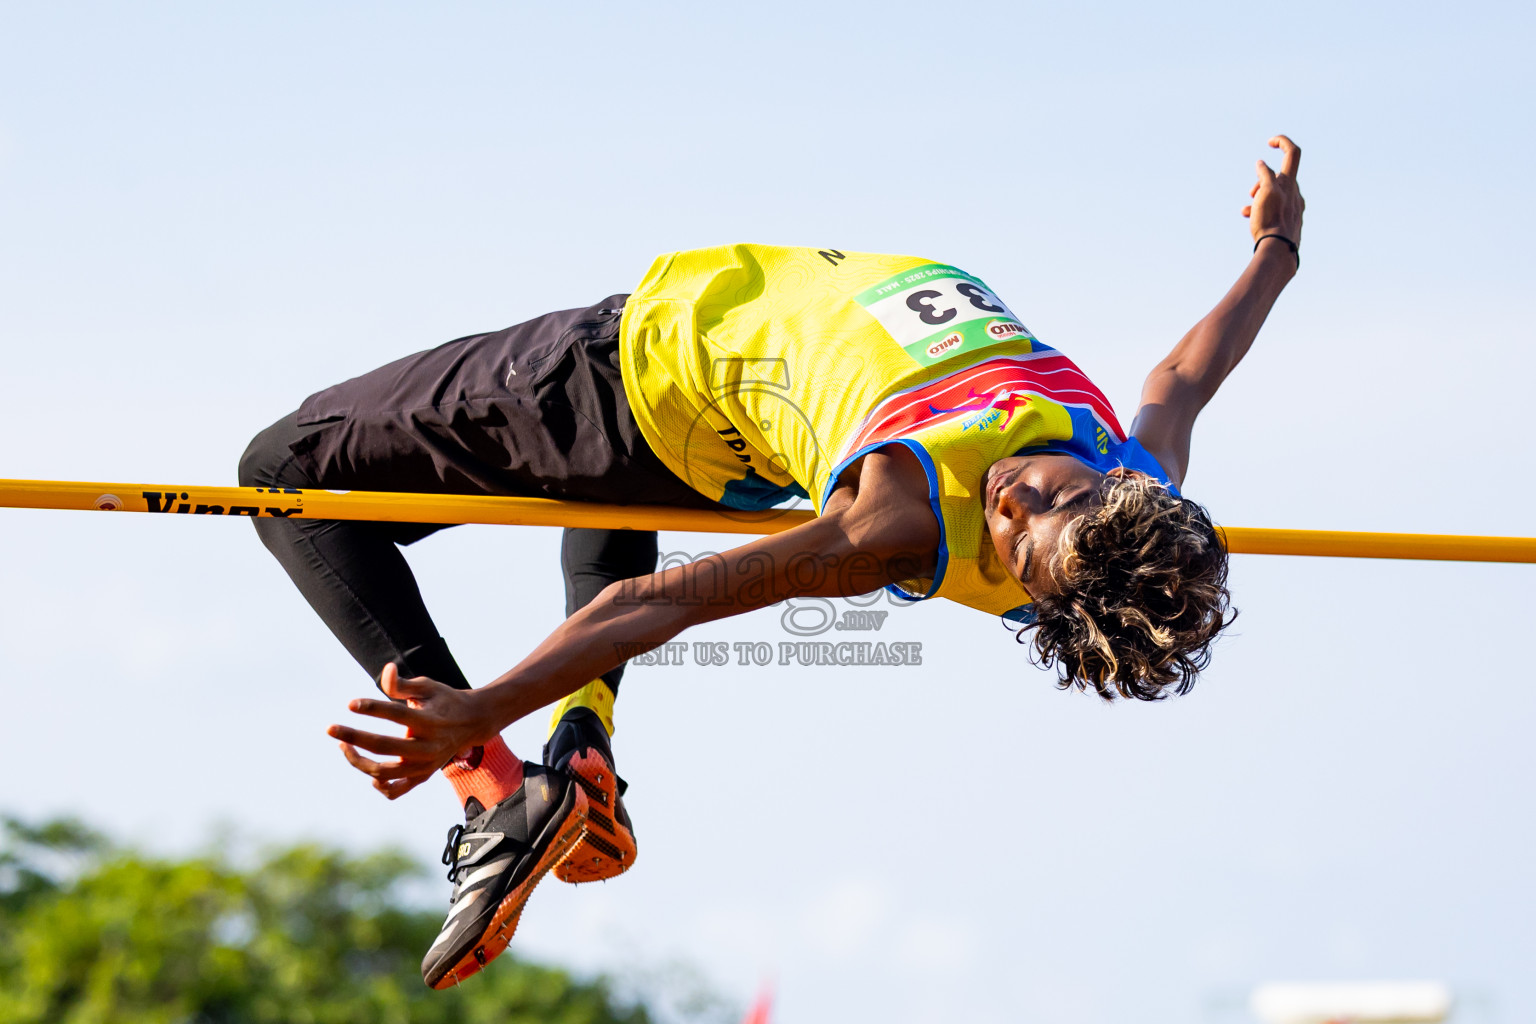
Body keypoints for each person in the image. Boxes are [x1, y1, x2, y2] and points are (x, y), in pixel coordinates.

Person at [239, 137, 1305, 987]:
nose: (1016, 496)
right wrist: (1276, 253)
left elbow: (660, 602)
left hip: (635, 374)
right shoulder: (1136, 474)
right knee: (612, 492)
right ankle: (582, 759)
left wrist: (480, 713)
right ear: (1122, 489)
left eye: (1016, 539)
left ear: (1025, 595)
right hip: (722, 443)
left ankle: (495, 793)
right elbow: (1183, 374)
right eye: (1055, 492)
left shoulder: (895, 518)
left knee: (281, 471)